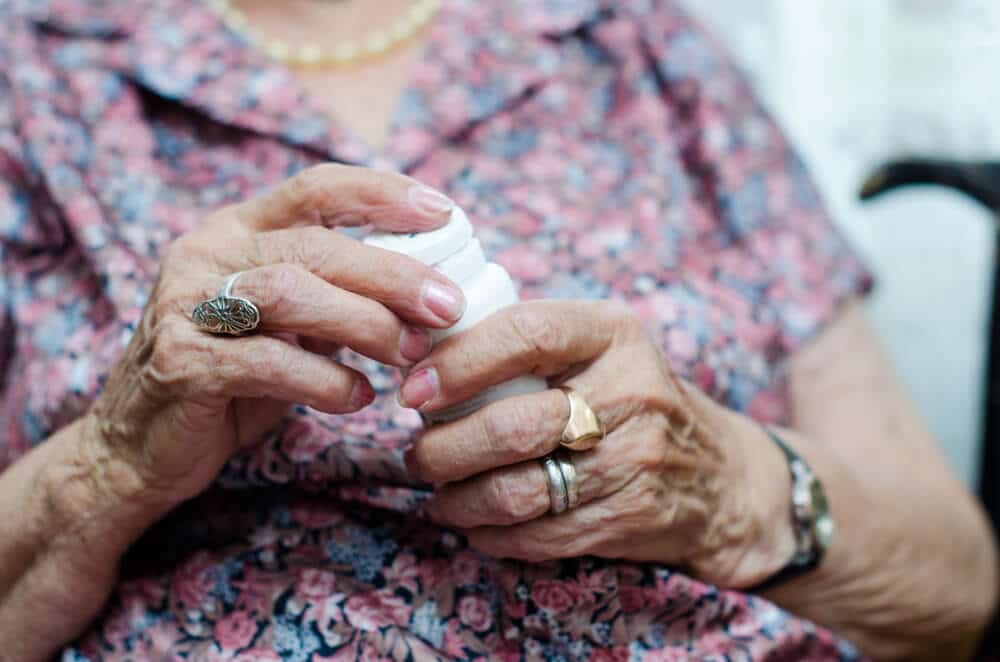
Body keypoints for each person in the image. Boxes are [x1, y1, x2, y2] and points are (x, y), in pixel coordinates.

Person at [0, 0, 995, 659]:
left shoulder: (630, 36)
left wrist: (722, 486)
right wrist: (112, 459)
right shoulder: (37, 73)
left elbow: (955, 582)